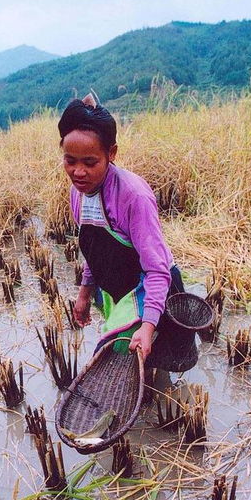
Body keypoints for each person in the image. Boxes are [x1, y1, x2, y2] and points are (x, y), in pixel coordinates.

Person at [58, 93, 184, 363]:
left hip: (148, 289)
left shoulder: (132, 196)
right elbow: (94, 250)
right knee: (127, 357)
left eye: (90, 162)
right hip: (115, 288)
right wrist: (84, 294)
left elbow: (157, 269)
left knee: (146, 359)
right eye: (70, 161)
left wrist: (149, 324)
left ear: (111, 153)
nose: (78, 172)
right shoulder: (77, 193)